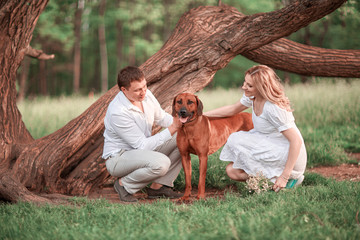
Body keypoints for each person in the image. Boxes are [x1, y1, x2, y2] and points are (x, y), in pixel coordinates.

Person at [205, 65, 307, 192]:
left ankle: (287, 179)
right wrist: (202, 115)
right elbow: (233, 109)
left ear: (261, 87)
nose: (243, 87)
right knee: (232, 171)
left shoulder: (273, 108)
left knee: (237, 140)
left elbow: (296, 141)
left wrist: (285, 176)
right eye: (245, 82)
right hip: (268, 143)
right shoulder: (253, 96)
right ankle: (274, 181)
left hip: (287, 153)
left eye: (249, 85)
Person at [102, 66, 183, 202]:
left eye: (144, 86)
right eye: (138, 90)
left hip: (140, 151)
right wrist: (173, 128)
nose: (143, 92)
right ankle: (124, 186)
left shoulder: (145, 94)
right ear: (124, 90)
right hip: (119, 158)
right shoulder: (118, 111)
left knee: (183, 137)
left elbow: (161, 117)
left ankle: (159, 187)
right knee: (161, 163)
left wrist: (182, 124)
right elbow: (142, 145)